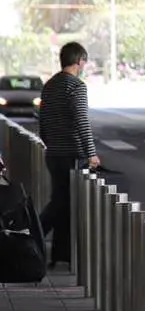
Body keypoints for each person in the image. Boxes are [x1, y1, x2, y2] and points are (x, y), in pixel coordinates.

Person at [38, 42, 100, 268]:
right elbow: (82, 121)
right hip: (72, 155)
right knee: (61, 204)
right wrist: (91, 154)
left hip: (53, 154)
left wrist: (51, 144)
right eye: (84, 62)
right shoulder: (76, 86)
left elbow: (42, 123)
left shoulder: (49, 85)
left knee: (64, 204)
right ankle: (33, 234)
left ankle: (61, 254)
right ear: (80, 61)